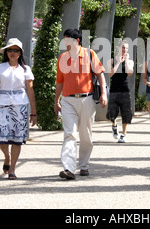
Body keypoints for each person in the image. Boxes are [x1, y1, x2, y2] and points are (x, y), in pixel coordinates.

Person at [54, 29, 108, 180]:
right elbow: (59, 82)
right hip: (68, 101)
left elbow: (100, 75)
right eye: (64, 40)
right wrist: (56, 100)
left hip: (87, 99)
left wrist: (103, 93)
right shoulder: (62, 58)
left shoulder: (89, 54)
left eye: (67, 40)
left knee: (85, 135)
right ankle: (69, 169)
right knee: (69, 134)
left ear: (77, 41)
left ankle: (84, 165)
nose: (65, 43)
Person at [0, 38, 37, 180]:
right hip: (2, 105)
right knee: (1, 139)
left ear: (20, 53)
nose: (12, 53)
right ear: (6, 52)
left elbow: (30, 91)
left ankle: (12, 169)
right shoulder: (0, 68)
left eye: (15, 50)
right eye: (10, 50)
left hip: (20, 106)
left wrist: (34, 112)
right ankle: (7, 156)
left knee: (16, 139)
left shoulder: (26, 70)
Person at [106, 41, 134, 143]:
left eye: (126, 48)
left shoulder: (130, 61)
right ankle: (114, 126)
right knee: (112, 112)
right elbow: (110, 74)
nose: (124, 50)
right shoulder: (111, 61)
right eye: (122, 48)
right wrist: (118, 62)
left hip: (125, 90)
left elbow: (129, 73)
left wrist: (125, 61)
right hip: (114, 89)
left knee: (126, 112)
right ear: (118, 48)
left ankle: (123, 134)